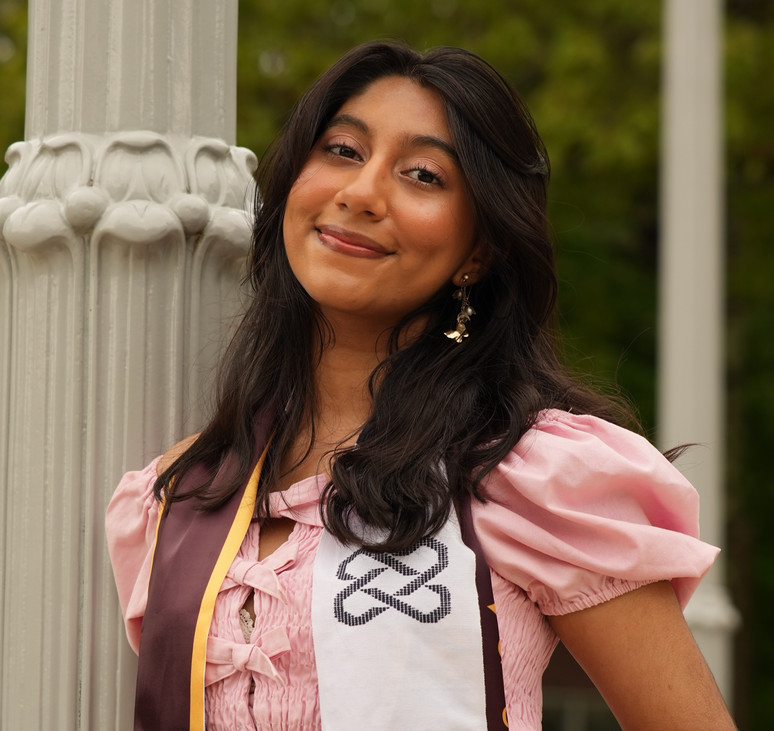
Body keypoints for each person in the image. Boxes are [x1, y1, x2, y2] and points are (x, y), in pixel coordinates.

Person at [106, 40, 736, 730]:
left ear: (477, 251)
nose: (361, 192)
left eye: (422, 175)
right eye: (342, 150)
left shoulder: (531, 476)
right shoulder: (185, 495)